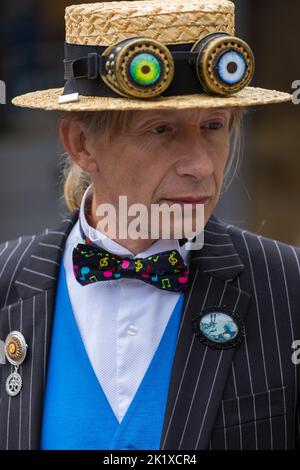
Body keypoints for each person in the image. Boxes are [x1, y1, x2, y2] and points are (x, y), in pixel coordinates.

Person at [0, 0, 299, 450]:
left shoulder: (289, 285)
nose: (200, 165)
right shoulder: (7, 281)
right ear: (81, 144)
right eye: (161, 130)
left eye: (214, 126)